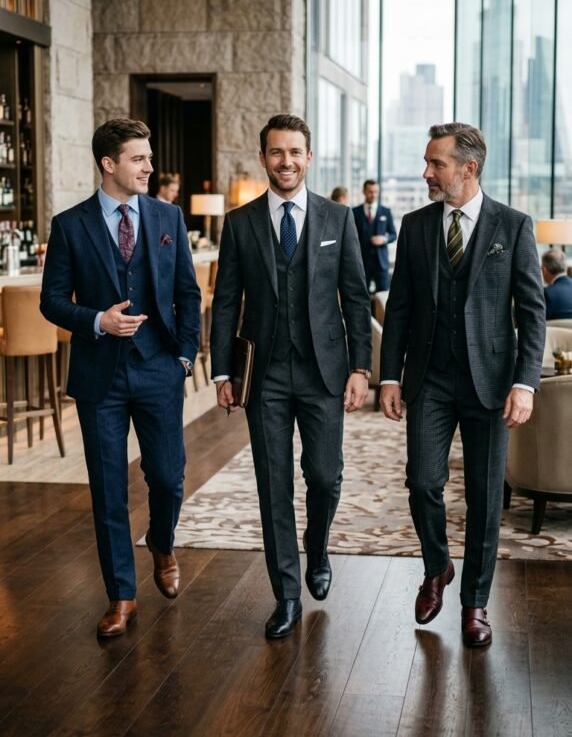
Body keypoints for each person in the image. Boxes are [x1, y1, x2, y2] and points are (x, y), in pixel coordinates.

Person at [380, 123, 545, 648]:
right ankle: (437, 567)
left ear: (468, 169)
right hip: (428, 378)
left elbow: (532, 313)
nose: (426, 173)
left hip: (492, 385)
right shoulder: (416, 225)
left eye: (436, 164)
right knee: (423, 482)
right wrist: (390, 375)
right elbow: (400, 306)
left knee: (484, 498)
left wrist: (525, 382)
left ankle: (474, 604)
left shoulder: (514, 226)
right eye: (428, 163)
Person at [211, 113, 372, 640]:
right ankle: (285, 594)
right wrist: (222, 371)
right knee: (272, 484)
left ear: (309, 156)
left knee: (324, 475)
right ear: (263, 159)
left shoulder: (338, 219)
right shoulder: (239, 223)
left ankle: (318, 547)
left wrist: (360, 367)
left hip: (324, 371)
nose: (286, 161)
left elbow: (354, 297)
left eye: (295, 152)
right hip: (266, 375)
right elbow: (226, 303)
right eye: (276, 152)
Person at [40, 119, 202, 639]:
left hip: (159, 369)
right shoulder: (70, 225)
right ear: (109, 164)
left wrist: (183, 358)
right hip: (99, 377)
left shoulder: (168, 217)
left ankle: (161, 539)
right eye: (139, 159)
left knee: (168, 477)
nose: (149, 168)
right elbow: (52, 300)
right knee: (108, 489)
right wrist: (96, 320)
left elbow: (188, 293)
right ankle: (122, 595)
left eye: (149, 159)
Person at [352, 179, 396, 292]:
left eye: (376, 192)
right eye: (370, 191)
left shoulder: (386, 212)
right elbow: (351, 237)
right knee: (361, 294)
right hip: (362, 262)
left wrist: (384, 239)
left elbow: (393, 234)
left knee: (382, 295)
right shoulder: (354, 212)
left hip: (381, 263)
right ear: (364, 191)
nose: (373, 195)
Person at [541, 248, 572, 319]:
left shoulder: (546, 294)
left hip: (553, 329)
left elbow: (537, 321)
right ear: (565, 268)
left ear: (544, 270)